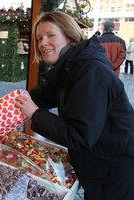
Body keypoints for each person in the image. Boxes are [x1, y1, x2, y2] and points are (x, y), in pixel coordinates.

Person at [15, 11, 134, 200]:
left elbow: (80, 135)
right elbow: (40, 96)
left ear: (69, 36)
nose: (43, 43)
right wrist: (5, 106)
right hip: (98, 167)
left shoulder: (90, 71)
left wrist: (35, 115)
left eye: (51, 35)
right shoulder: (70, 67)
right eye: (39, 38)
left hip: (115, 171)